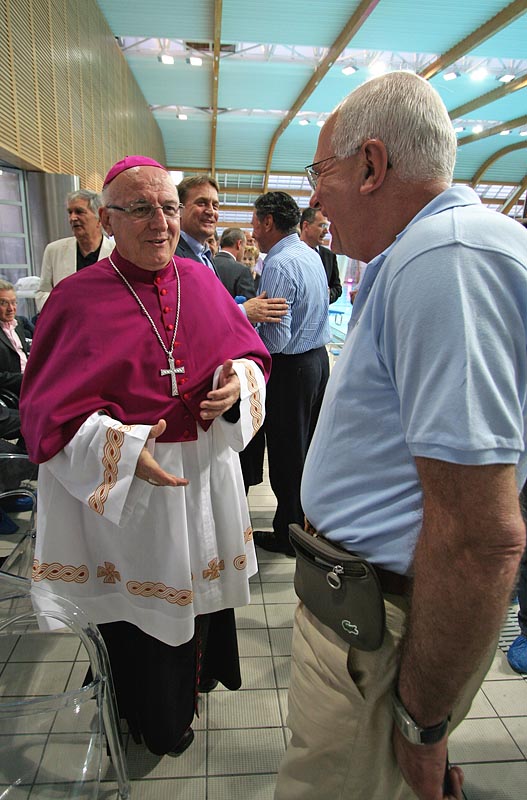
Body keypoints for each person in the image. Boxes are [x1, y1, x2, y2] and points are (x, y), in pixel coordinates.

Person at [274, 71, 527, 800]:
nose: (313, 198)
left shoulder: (443, 258)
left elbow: (479, 536)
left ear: (372, 165)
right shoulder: (440, 251)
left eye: (319, 174)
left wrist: (419, 723)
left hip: (378, 633)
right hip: (370, 617)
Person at [20, 155, 272, 757]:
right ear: (109, 220)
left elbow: (253, 356)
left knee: (199, 602)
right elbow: (44, 414)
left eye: (167, 207)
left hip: (202, 480)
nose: (160, 222)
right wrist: (124, 452)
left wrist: (239, 383)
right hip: (133, 496)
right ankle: (146, 713)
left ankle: (190, 691)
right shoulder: (76, 299)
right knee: (138, 617)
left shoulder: (202, 279)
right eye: (140, 209)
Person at [251, 191, 330, 556]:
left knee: (285, 455)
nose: (252, 232)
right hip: (316, 361)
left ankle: (288, 534)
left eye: (254, 223)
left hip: (289, 368)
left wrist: (239, 334)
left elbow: (277, 338)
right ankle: (302, 523)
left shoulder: (279, 264)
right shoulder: (310, 254)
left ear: (268, 222)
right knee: (305, 449)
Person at [176, 176, 288, 325]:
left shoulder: (205, 255)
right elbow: (185, 315)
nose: (210, 211)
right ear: (179, 209)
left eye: (215, 206)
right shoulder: (172, 254)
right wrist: (242, 311)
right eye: (201, 203)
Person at [35, 189, 114, 310]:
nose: (72, 218)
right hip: (66, 323)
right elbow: (42, 293)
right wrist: (62, 308)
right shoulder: (54, 251)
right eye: (69, 212)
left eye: (79, 212)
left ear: (99, 217)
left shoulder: (116, 252)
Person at [299, 207, 342, 304]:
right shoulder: (289, 253)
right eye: (322, 225)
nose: (326, 231)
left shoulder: (329, 256)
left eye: (326, 226)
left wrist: (327, 294)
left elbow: (337, 287)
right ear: (306, 226)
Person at [0, 279, 30, 397]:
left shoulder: (18, 325)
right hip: (14, 390)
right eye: (3, 303)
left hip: (32, 382)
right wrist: (25, 379)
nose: (11, 308)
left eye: (14, 302)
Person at [214, 227, 256, 301]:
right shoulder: (242, 270)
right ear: (239, 244)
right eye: (244, 246)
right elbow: (250, 305)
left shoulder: (206, 263)